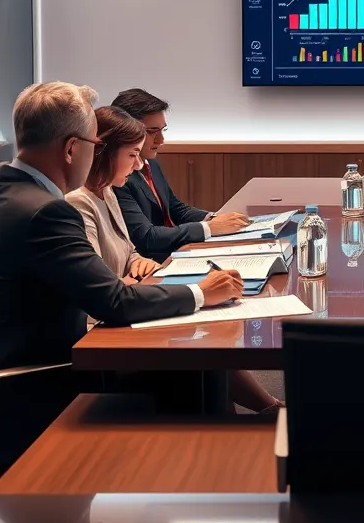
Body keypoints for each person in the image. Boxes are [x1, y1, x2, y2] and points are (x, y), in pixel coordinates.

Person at [0, 82, 243, 477]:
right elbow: (113, 303)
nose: (96, 152)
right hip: (29, 388)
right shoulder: (46, 212)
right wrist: (200, 294)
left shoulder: (0, 193)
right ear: (71, 148)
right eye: (93, 142)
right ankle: (207, 484)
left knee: (187, 351)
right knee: (192, 362)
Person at [66, 105, 279, 415]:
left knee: (208, 331)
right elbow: (100, 286)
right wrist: (128, 276)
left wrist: (141, 263)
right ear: (105, 153)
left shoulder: (108, 192)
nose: (139, 164)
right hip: (104, 329)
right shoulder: (78, 204)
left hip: (130, 303)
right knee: (198, 341)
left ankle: (267, 409)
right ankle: (237, 429)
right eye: (132, 155)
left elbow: (131, 250)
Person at [111, 88, 248, 262]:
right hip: (152, 263)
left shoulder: (151, 163)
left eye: (162, 130)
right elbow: (146, 237)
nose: (161, 140)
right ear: (126, 131)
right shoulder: (117, 177)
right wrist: (209, 228)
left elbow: (176, 209)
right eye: (152, 132)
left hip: (175, 253)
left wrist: (215, 218)